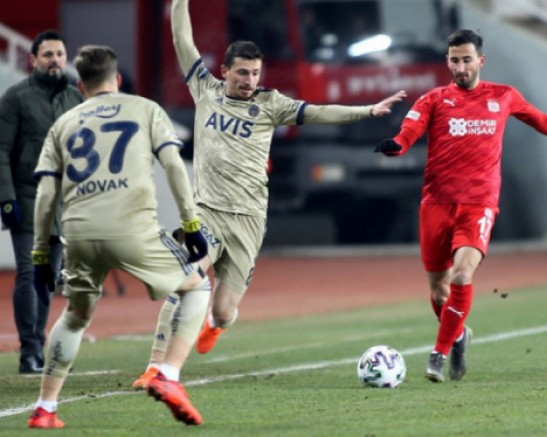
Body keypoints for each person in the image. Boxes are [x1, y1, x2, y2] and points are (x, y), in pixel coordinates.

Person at [131, 0, 407, 389]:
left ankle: (215, 325)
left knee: (224, 311)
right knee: (185, 278)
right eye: (242, 72)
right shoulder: (205, 89)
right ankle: (156, 366)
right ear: (225, 71)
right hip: (207, 213)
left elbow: (318, 112)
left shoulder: (270, 104)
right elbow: (182, 39)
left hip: (248, 221)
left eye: (255, 73)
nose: (249, 80)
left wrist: (366, 110)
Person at [374, 29, 547, 383]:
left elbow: (542, 121)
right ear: (447, 61)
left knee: (462, 274)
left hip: (479, 203)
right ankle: (458, 335)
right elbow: (408, 133)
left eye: (466, 60)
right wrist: (396, 146)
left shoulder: (503, 96)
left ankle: (438, 355)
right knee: (439, 292)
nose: (460, 67)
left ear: (481, 61)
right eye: (454, 61)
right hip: (436, 203)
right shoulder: (433, 100)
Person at [27, 45, 211, 428]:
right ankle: (168, 374)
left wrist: (41, 253)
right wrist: (190, 223)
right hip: (132, 226)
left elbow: (45, 194)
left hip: (78, 233)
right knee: (197, 286)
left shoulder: (63, 123)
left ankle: (45, 408)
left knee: (75, 315)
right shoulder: (144, 109)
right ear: (118, 79)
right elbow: (173, 165)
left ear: (80, 85)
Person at [0, 30, 83, 374]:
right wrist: (6, 198)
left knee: (48, 278)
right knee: (28, 273)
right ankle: (30, 351)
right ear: (33, 60)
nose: (55, 60)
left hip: (63, 203)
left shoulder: (76, 98)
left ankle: (39, 345)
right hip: (27, 197)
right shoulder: (15, 97)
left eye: (60, 54)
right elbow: (1, 150)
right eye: (48, 55)